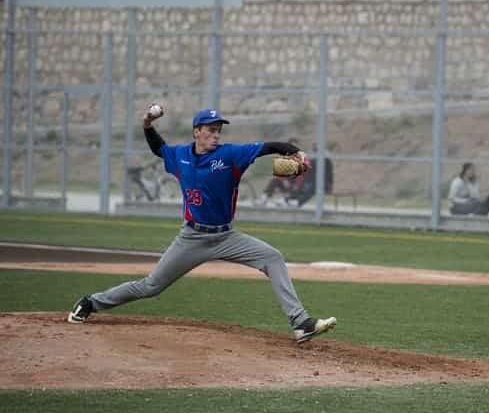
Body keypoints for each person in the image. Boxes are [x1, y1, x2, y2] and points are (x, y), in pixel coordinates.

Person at [67, 106, 337, 344]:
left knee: (272, 257)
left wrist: (296, 152)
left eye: (218, 130)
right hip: (192, 238)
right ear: (196, 131)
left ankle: (300, 323)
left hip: (226, 237)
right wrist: (147, 125)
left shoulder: (231, 155)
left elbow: (268, 147)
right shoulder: (180, 156)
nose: (216, 134)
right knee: (151, 287)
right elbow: (159, 149)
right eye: (210, 129)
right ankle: (91, 302)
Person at [257, 137, 303, 206]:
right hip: (285, 182)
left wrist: (296, 185)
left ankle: (286, 201)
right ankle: (264, 197)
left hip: (294, 183)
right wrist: (284, 181)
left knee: (298, 187)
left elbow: (301, 176)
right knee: (274, 181)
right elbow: (279, 173)